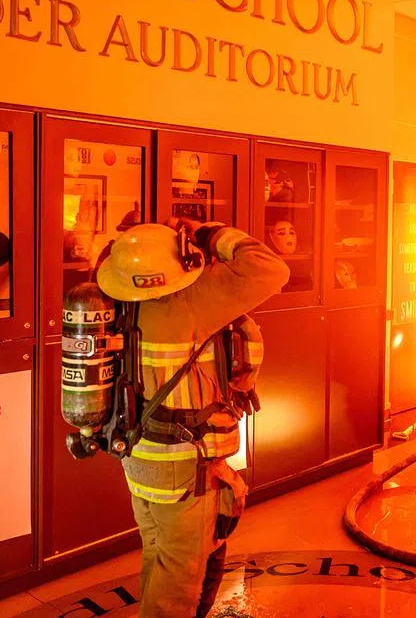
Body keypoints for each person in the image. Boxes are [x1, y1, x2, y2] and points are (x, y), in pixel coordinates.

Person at [97, 218, 288, 618]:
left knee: (159, 553)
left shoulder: (119, 303)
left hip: (139, 453)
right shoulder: (194, 301)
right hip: (187, 465)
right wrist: (208, 232)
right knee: (179, 575)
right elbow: (270, 267)